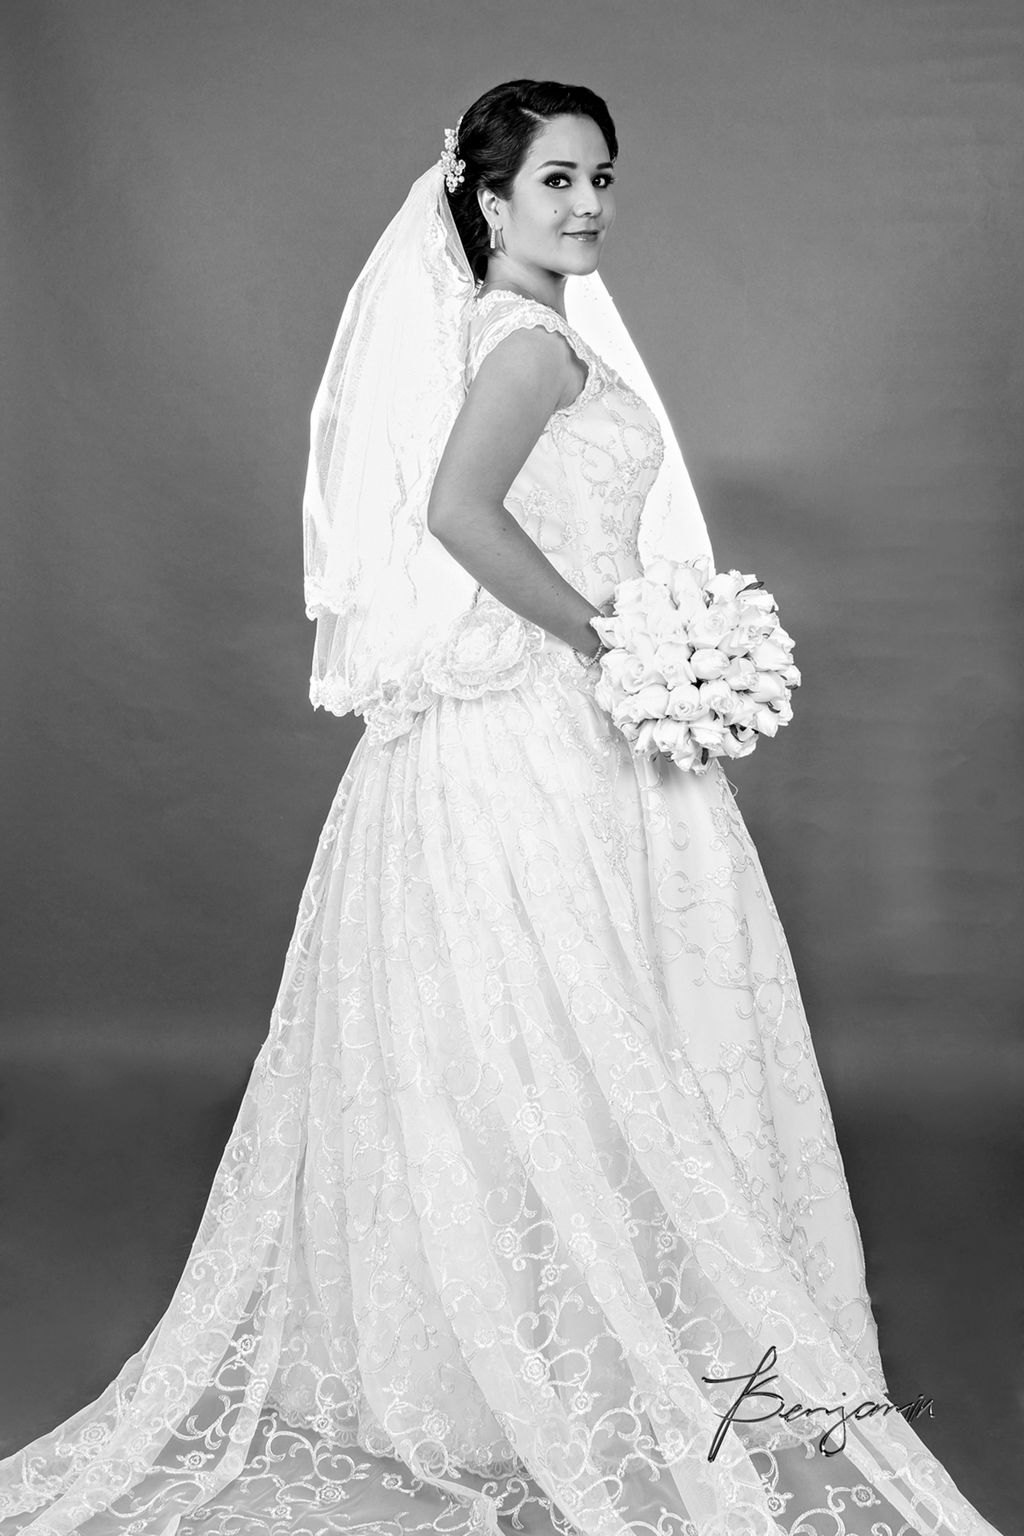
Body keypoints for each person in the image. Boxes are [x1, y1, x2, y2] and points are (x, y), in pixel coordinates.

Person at [0, 78, 1005, 1536]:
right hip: (529, 728)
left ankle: (515, 1350)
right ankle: (542, 1357)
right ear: (487, 199)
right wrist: (614, 640)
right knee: (558, 1026)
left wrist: (653, 651)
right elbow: (458, 514)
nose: (589, 204)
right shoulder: (526, 345)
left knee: (534, 1036)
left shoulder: (525, 332)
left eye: (602, 177)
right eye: (556, 180)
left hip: (549, 728)